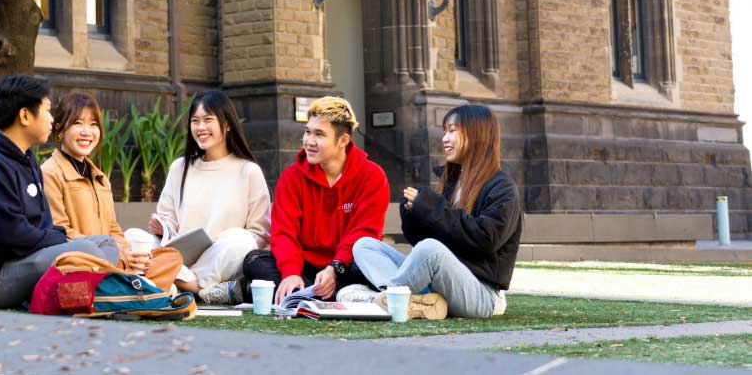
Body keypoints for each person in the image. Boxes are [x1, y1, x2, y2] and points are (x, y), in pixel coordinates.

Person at [0, 74, 119, 309]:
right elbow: (12, 236)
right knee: (86, 249)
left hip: (30, 258)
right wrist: (63, 238)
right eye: (47, 110)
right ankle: (102, 294)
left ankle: (76, 295)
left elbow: (42, 224)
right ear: (25, 115)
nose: (52, 120)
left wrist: (61, 237)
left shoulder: (26, 159)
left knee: (106, 244)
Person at [352, 104, 523, 319]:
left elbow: (485, 240)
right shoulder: (452, 183)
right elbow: (427, 241)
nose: (444, 139)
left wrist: (431, 208)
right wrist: (414, 215)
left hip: (482, 295)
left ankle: (387, 299)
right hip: (440, 287)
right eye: (444, 132)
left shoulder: (502, 188)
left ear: (476, 135)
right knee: (365, 245)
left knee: (430, 249)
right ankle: (407, 300)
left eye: (452, 131)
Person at [125, 90, 270, 305]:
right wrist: (162, 226)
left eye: (208, 120)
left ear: (227, 124)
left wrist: (222, 248)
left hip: (220, 261)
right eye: (195, 121)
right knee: (132, 236)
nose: (200, 127)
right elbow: (168, 218)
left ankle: (178, 284)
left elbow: (260, 234)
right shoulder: (180, 167)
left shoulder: (248, 171)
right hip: (179, 257)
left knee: (242, 240)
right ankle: (200, 289)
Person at [241, 96, 388, 304]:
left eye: (319, 134)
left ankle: (293, 294)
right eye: (307, 132)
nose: (309, 141)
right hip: (305, 267)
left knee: (369, 263)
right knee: (254, 260)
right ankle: (332, 296)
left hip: (347, 266)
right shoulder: (292, 177)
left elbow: (364, 232)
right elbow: (284, 233)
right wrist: (291, 272)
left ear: (343, 140)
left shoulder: (372, 176)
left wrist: (334, 269)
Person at [40, 91, 181, 291]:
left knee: (171, 257)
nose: (87, 132)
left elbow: (113, 229)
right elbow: (60, 232)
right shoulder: (50, 172)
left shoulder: (100, 178)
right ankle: (137, 288)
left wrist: (129, 254)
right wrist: (117, 256)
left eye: (93, 124)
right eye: (78, 123)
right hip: (82, 262)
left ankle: (132, 285)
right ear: (60, 129)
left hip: (113, 260)